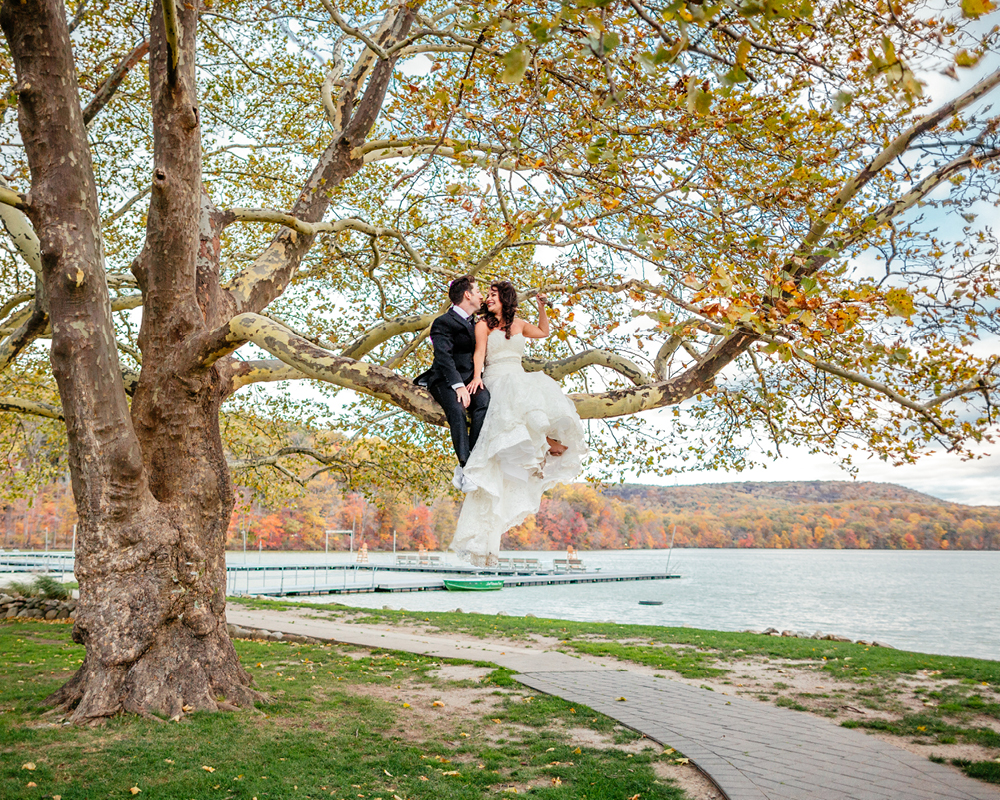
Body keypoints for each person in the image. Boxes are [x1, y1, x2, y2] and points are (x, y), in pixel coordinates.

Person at [449, 280, 588, 566]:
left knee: (532, 403)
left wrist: (542, 308)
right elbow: (479, 354)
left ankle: (543, 446)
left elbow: (544, 332)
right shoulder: (483, 325)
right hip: (496, 378)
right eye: (486, 295)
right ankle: (544, 446)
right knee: (516, 409)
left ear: (506, 299)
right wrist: (476, 378)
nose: (488, 299)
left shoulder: (521, 324)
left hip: (518, 376)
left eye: (493, 295)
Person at [415, 275, 491, 492]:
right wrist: (458, 386)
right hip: (445, 380)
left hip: (471, 379)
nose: (481, 296)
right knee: (457, 410)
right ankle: (465, 464)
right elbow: (443, 356)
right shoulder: (443, 322)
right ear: (467, 295)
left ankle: (473, 463)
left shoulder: (476, 323)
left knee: (484, 401)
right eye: (477, 291)